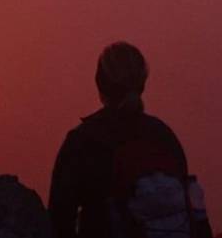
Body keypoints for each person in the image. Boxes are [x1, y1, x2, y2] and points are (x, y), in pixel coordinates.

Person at [49, 42, 211, 238]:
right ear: (143, 84)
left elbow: (59, 221)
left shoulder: (82, 142)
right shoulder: (164, 137)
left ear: (98, 81)